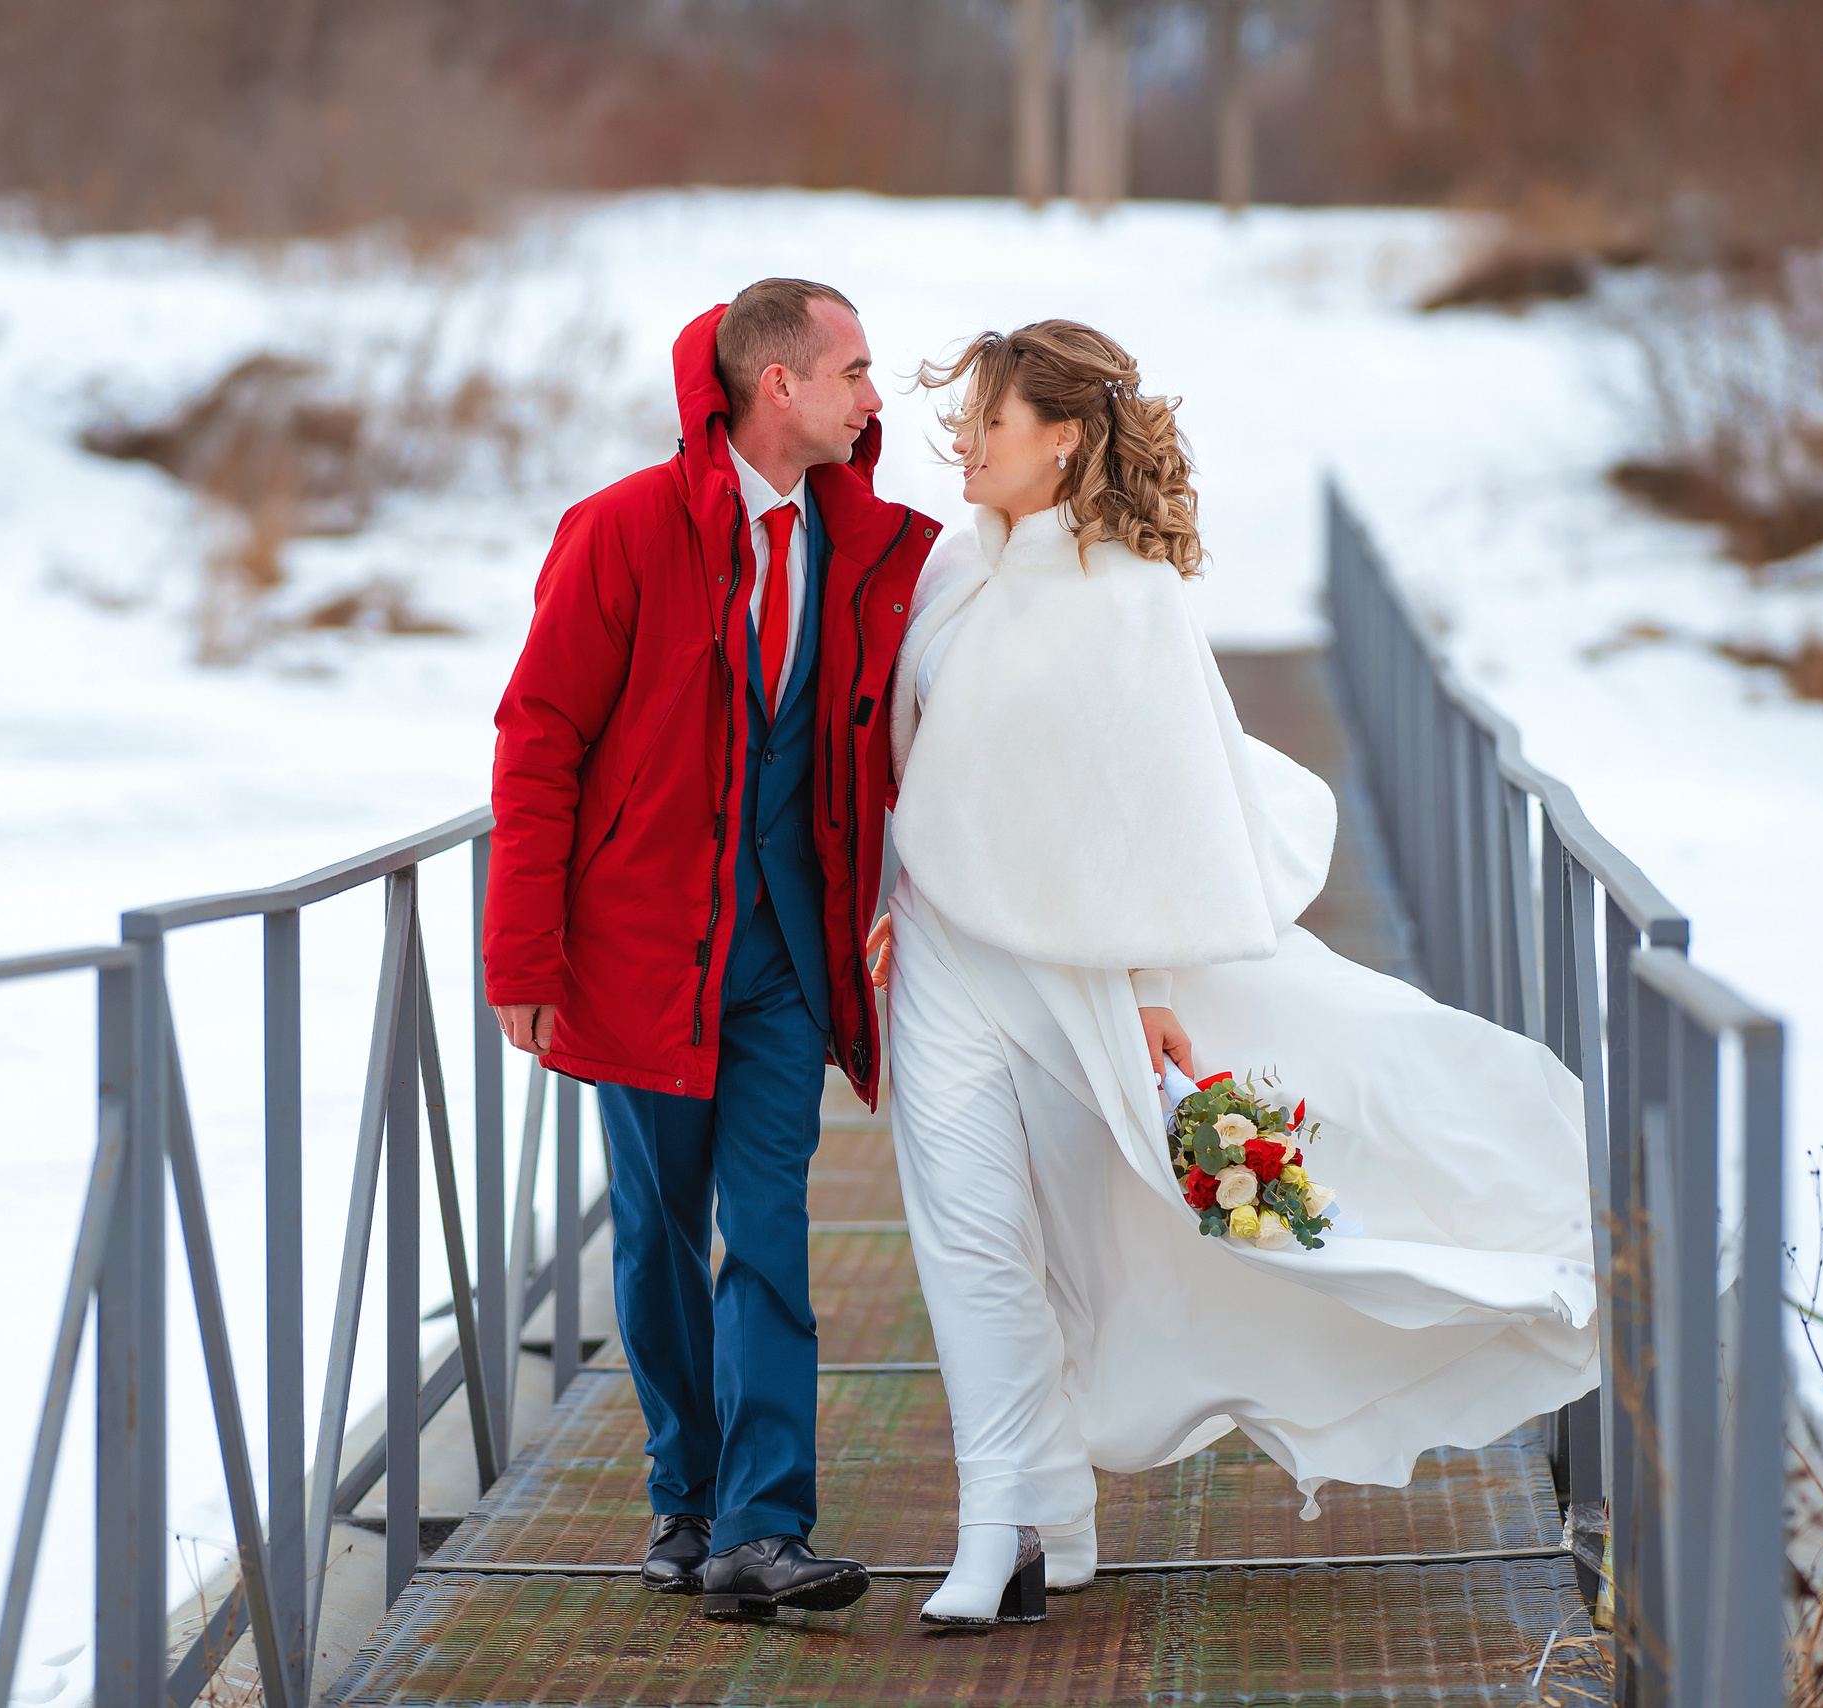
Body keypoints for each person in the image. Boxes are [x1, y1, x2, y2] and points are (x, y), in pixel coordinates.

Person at [867, 320, 1600, 1627]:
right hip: (936, 952)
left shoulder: (1129, 596)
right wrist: (876, 902)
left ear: (1066, 438)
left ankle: (1058, 1506)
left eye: (989, 418)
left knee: (1073, 1246)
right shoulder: (948, 574)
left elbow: (1165, 805)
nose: (962, 440)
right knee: (968, 1239)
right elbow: (908, 760)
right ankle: (1001, 1528)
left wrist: (1149, 984)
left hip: (1074, 970)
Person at [484, 279, 940, 1622]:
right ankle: (683, 1493)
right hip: (640, 952)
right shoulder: (621, 532)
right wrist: (524, 958)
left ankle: (761, 1525)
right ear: (778, 387)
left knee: (772, 1234)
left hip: (790, 962)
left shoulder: (868, 547)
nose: (876, 398)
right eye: (855, 370)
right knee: (658, 1237)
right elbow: (540, 741)